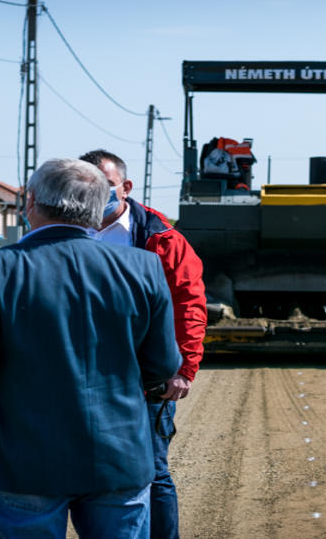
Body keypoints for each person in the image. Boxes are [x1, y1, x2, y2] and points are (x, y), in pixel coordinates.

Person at [0, 159, 182, 539]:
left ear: (31, 201)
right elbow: (163, 364)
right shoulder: (144, 266)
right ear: (97, 206)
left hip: (23, 455)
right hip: (119, 452)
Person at [79, 149, 207, 539]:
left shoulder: (161, 239)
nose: (97, 197)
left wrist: (184, 368)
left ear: (126, 187)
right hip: (78, 371)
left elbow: (189, 302)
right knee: (82, 470)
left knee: (151, 469)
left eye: (106, 187)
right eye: (87, 188)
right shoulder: (61, 230)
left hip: (143, 374)